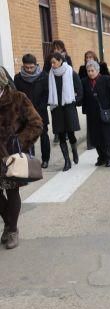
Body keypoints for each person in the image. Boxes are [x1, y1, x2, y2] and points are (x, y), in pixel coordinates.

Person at [0, 68, 42, 249]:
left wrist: (18, 142)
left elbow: (37, 123)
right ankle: (9, 225)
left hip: (10, 157)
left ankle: (12, 230)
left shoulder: (18, 98)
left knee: (11, 191)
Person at [14, 54, 50, 168]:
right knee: (28, 137)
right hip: (25, 114)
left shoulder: (43, 76)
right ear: (23, 66)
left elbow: (46, 94)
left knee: (44, 135)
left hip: (41, 111)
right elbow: (18, 96)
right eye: (26, 67)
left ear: (36, 65)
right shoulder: (18, 78)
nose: (29, 70)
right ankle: (31, 159)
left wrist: (39, 109)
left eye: (31, 67)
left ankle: (45, 160)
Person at [48, 52, 83, 171]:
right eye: (51, 62)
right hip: (56, 109)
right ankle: (67, 161)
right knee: (61, 135)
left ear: (60, 61)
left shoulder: (70, 72)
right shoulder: (50, 74)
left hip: (68, 107)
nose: (52, 65)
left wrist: (73, 101)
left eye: (54, 62)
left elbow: (79, 89)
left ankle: (74, 151)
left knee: (71, 134)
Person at [81, 60, 110, 167]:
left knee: (105, 137)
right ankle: (101, 158)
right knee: (96, 137)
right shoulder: (84, 81)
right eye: (88, 71)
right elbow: (82, 97)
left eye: (92, 70)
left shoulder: (106, 79)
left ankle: (108, 158)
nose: (90, 73)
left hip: (105, 112)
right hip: (92, 113)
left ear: (97, 70)